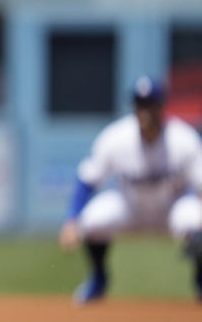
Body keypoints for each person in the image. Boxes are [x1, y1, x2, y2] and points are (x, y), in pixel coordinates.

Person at [59, 75, 202, 304]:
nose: (144, 110)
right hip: (130, 206)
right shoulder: (116, 137)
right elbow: (88, 178)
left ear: (161, 106)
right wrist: (72, 219)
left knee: (196, 218)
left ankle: (200, 282)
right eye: (139, 104)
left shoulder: (183, 139)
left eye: (150, 104)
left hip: (171, 208)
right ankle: (98, 280)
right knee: (93, 219)